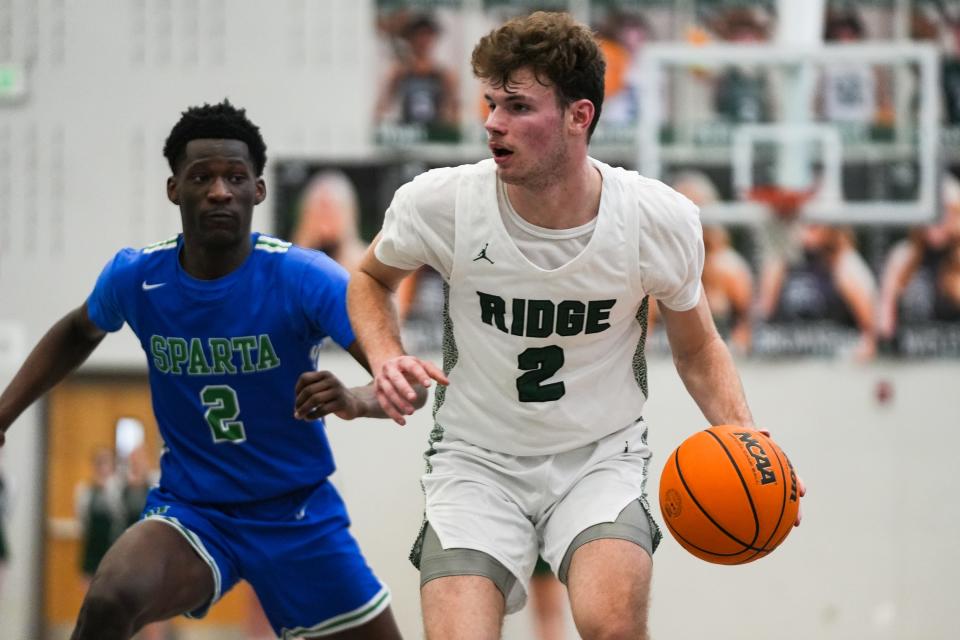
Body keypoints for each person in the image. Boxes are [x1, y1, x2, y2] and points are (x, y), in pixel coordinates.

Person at [347, 12, 803, 640]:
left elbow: (699, 348)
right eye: (490, 102)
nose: (492, 122)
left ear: (578, 116)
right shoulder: (441, 202)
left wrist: (750, 442)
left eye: (517, 105)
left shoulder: (656, 219)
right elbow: (369, 279)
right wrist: (385, 352)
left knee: (610, 626)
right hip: (475, 459)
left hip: (598, 457)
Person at [0, 100, 409, 640]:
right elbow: (79, 330)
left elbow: (403, 386)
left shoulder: (305, 276)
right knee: (109, 598)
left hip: (296, 513)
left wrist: (356, 399)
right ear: (174, 189)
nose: (220, 190)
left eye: (236, 177)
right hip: (194, 511)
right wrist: (4, 413)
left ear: (258, 190)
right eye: (202, 177)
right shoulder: (137, 277)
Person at [74, 447, 125, 583]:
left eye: (106, 463)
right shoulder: (84, 490)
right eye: (100, 463)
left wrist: (109, 486)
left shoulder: (118, 490)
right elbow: (83, 520)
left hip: (111, 546)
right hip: (91, 546)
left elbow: (121, 516)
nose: (103, 467)